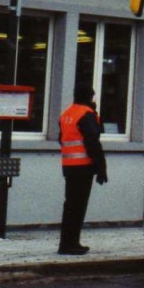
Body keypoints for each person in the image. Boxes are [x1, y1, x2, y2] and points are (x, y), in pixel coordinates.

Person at [58, 85, 107, 255]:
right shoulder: (86, 114)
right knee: (78, 207)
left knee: (70, 206)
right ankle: (72, 244)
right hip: (83, 167)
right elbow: (94, 142)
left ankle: (66, 243)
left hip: (68, 166)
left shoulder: (67, 114)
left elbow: (61, 139)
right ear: (90, 97)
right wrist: (101, 169)